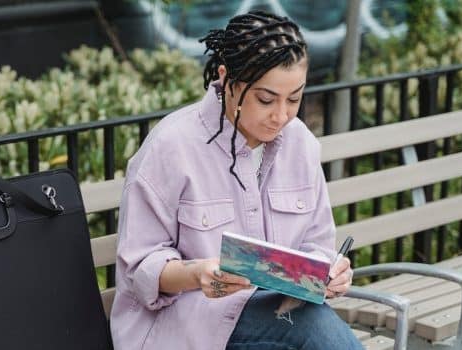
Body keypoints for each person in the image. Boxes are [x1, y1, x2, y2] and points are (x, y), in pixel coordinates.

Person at [109, 10, 362, 350]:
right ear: (229, 81)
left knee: (309, 325)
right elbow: (139, 268)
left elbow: (316, 244)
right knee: (311, 331)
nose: (282, 115)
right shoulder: (171, 147)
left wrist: (330, 272)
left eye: (295, 99)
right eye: (266, 99)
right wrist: (196, 274)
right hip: (188, 326)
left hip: (280, 315)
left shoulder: (300, 144)